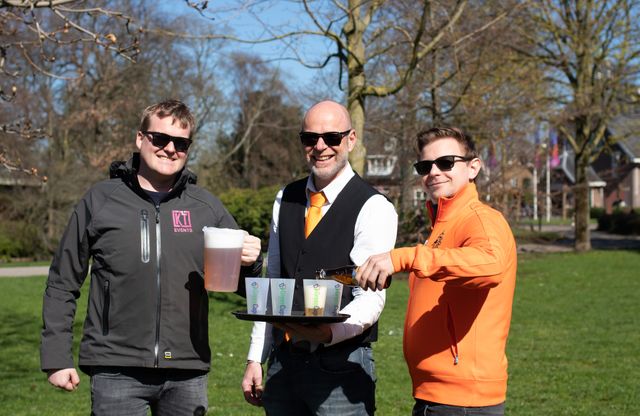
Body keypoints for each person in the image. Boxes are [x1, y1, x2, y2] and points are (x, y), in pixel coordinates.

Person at [40, 99, 263, 416]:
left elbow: (244, 286)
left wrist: (251, 261)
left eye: (181, 143)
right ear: (140, 138)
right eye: (160, 138)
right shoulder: (101, 200)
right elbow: (63, 283)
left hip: (187, 369)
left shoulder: (207, 207)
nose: (170, 149)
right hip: (115, 366)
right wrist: (56, 358)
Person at [241, 100, 398, 415]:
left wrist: (329, 333)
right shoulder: (285, 198)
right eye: (310, 138)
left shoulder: (373, 206)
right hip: (284, 364)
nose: (320, 146)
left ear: (351, 140)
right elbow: (273, 283)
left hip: (341, 367)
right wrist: (256, 356)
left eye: (332, 137)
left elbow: (371, 298)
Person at [355, 127, 517, 415]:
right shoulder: (442, 226)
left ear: (473, 167)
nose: (434, 172)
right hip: (440, 396)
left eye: (446, 162)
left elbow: (491, 264)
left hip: (463, 401)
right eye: (425, 166)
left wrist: (406, 256)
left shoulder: (480, 219)